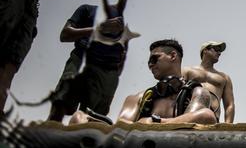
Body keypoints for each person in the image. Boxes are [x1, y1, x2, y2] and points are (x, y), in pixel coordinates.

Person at [69, 39, 216, 125]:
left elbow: (194, 123)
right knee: (79, 117)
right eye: (148, 62)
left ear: (173, 56)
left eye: (154, 59)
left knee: (207, 114)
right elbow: (122, 126)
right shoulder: (139, 98)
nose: (150, 65)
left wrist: (154, 122)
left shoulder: (197, 92)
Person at [48, 0, 137, 122]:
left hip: (105, 74)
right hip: (81, 61)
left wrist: (111, 79)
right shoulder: (87, 10)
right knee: (59, 109)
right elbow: (64, 35)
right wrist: (99, 29)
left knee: (90, 120)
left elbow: (122, 57)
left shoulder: (122, 29)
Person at [183, 41, 235, 123]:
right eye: (216, 49)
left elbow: (229, 104)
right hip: (188, 118)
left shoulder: (224, 78)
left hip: (213, 120)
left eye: (220, 51)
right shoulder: (187, 71)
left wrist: (227, 127)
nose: (219, 53)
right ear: (205, 50)